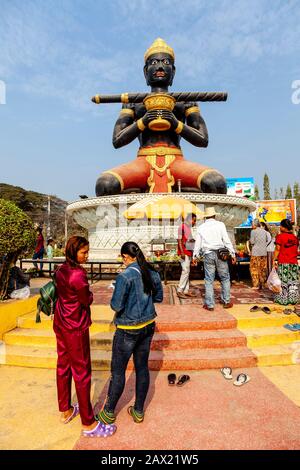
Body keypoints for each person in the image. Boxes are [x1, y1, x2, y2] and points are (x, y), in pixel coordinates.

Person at [95, 38, 227, 196]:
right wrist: (143, 121)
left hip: (177, 161)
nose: (159, 66)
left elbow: (202, 140)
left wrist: (175, 123)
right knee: (105, 184)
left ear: (173, 71)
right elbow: (117, 140)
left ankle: (202, 218)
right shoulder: (133, 102)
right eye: (153, 63)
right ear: (145, 72)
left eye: (165, 62)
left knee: (216, 182)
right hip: (142, 162)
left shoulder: (185, 101)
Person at [53, 236, 116, 438]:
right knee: (82, 372)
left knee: (63, 366)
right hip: (75, 325)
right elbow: (85, 299)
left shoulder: (61, 269)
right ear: (74, 252)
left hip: (61, 320)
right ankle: (88, 423)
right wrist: (89, 296)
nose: (87, 256)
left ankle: (66, 410)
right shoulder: (77, 275)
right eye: (84, 252)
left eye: (87, 252)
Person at [97, 241, 163, 425]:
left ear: (125, 257)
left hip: (128, 329)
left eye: (123, 258)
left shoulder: (124, 277)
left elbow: (116, 305)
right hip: (148, 326)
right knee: (142, 367)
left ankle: (109, 412)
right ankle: (139, 410)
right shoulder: (152, 272)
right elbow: (158, 297)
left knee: (118, 371)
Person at [193, 207, 236, 311]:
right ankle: (226, 301)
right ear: (214, 215)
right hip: (221, 254)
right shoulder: (220, 225)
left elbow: (198, 243)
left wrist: (195, 256)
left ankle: (210, 304)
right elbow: (226, 240)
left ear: (206, 217)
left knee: (209, 280)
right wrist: (233, 253)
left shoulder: (201, 227)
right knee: (225, 278)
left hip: (208, 254)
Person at [273, 219, 299, 305]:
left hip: (284, 262)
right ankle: (293, 299)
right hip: (294, 263)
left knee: (283, 281)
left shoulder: (280, 237)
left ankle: (283, 300)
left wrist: (274, 259)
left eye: (281, 226)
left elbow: (277, 249)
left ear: (284, 227)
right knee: (293, 282)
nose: (280, 227)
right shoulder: (295, 238)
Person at [177, 213, 197, 299]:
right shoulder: (182, 227)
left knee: (187, 271)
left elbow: (188, 241)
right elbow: (179, 239)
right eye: (194, 220)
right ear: (189, 219)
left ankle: (186, 290)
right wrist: (181, 252)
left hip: (187, 252)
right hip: (183, 253)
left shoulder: (188, 228)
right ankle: (179, 290)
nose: (194, 222)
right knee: (185, 271)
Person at [249, 219, 269, 290]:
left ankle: (256, 285)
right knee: (263, 268)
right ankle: (263, 284)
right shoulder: (265, 231)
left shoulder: (253, 231)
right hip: (263, 252)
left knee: (254, 268)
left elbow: (252, 242)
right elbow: (269, 240)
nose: (251, 226)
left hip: (255, 252)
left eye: (252, 224)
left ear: (255, 225)